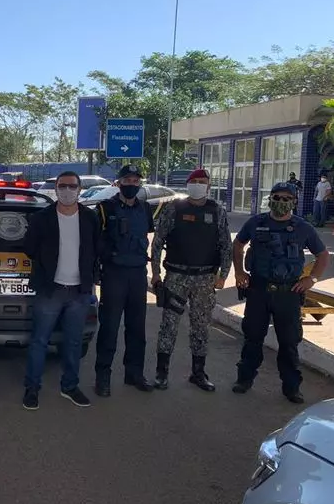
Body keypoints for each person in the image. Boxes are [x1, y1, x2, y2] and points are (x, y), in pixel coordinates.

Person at [232, 181, 329, 403]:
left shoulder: (303, 227)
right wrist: (239, 272)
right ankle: (244, 379)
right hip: (258, 290)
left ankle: (292, 387)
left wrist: (312, 279)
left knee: (289, 342)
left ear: (294, 202)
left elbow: (322, 255)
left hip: (288, 293)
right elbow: (237, 245)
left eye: (287, 199)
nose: (281, 202)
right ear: (270, 199)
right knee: (252, 337)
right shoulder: (256, 222)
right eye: (277, 197)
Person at [22, 170, 99, 411]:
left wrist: (91, 280)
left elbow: (97, 249)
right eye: (62, 186)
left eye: (72, 186)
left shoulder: (90, 218)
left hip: (79, 291)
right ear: (56, 189)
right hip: (50, 290)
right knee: (39, 341)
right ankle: (32, 388)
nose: (67, 190)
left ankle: (70, 387)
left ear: (79, 189)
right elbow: (29, 248)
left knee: (73, 342)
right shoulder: (42, 218)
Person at [150, 168, 232, 392]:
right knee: (169, 325)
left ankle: (198, 373)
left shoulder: (217, 211)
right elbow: (158, 241)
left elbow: (226, 244)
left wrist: (224, 275)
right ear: (188, 184)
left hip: (205, 278)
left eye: (202, 182)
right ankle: (161, 373)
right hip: (176, 276)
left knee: (201, 326)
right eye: (194, 181)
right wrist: (155, 273)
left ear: (209, 186)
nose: (198, 185)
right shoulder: (174, 208)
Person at [94, 164, 155, 396]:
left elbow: (147, 236)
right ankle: (103, 377)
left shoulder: (145, 209)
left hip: (138, 274)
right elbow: (95, 241)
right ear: (118, 183)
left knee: (137, 328)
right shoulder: (105, 208)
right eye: (127, 180)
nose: (131, 184)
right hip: (114, 275)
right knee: (109, 328)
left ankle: (134, 374)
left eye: (135, 181)